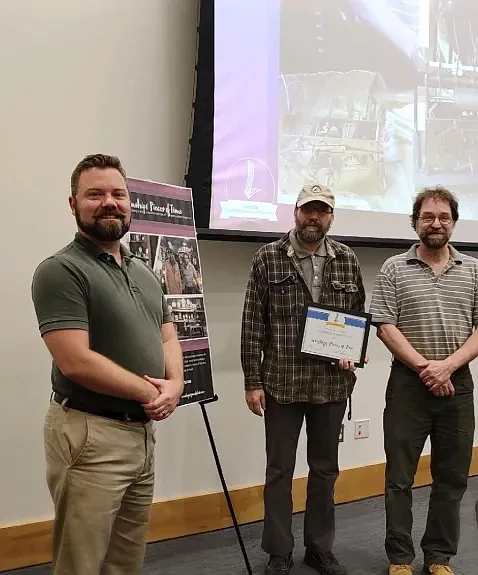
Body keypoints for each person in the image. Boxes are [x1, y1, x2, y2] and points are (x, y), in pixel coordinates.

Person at [31, 153, 184, 575]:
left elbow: (167, 333)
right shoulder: (61, 271)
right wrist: (152, 392)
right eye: (94, 194)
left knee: (124, 560)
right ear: (73, 204)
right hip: (90, 435)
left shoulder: (143, 271)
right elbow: (75, 361)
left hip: (141, 435)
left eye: (118, 194)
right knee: (81, 562)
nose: (109, 202)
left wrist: (177, 384)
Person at [241, 184, 366, 575]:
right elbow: (251, 324)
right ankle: (279, 550)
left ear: (331, 216)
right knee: (278, 471)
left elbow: (358, 317)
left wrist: (354, 354)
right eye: (307, 210)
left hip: (331, 386)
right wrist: (252, 380)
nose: (314, 217)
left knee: (325, 470)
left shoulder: (347, 259)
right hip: (281, 383)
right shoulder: (268, 258)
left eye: (322, 211)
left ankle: (319, 547)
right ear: (295, 212)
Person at [369, 186, 477, 575]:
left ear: (453, 223)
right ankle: (400, 557)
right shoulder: (394, 268)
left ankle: (439, 557)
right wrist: (427, 369)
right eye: (428, 217)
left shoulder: (473, 269)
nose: (435, 223)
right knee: (399, 477)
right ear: (415, 222)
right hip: (408, 387)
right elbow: (384, 324)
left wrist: (447, 367)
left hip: (458, 386)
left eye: (443, 217)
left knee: (451, 476)